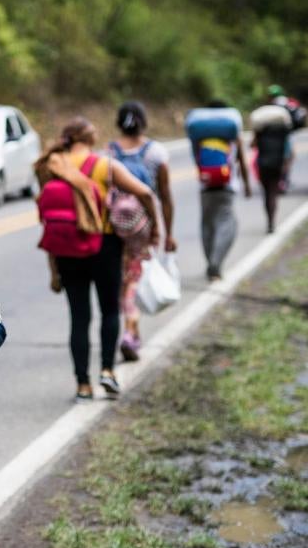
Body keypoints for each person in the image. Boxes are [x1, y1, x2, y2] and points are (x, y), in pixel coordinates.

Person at [38, 117, 159, 401]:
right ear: (91, 139)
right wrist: (153, 229)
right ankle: (108, 371)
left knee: (79, 317)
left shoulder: (52, 164)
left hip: (66, 247)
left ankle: (83, 385)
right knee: (109, 311)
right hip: (104, 244)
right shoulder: (105, 165)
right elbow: (145, 193)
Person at [109, 101, 176, 362]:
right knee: (135, 277)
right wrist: (166, 232)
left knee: (120, 277)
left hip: (113, 225)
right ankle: (130, 329)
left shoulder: (110, 152)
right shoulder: (156, 153)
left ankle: (127, 325)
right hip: (141, 226)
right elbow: (165, 196)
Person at [187, 100, 251, 281]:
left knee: (207, 224)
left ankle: (210, 261)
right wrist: (246, 184)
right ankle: (215, 263)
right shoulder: (230, 132)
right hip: (227, 186)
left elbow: (195, 158)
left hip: (205, 186)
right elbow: (242, 160)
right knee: (227, 223)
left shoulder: (199, 133)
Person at [252, 115, 294, 233]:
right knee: (273, 193)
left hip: (263, 166)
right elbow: (289, 152)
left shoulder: (260, 133)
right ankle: (271, 221)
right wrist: (286, 166)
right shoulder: (282, 133)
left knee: (266, 193)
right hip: (277, 165)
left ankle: (269, 220)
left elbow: (252, 145)